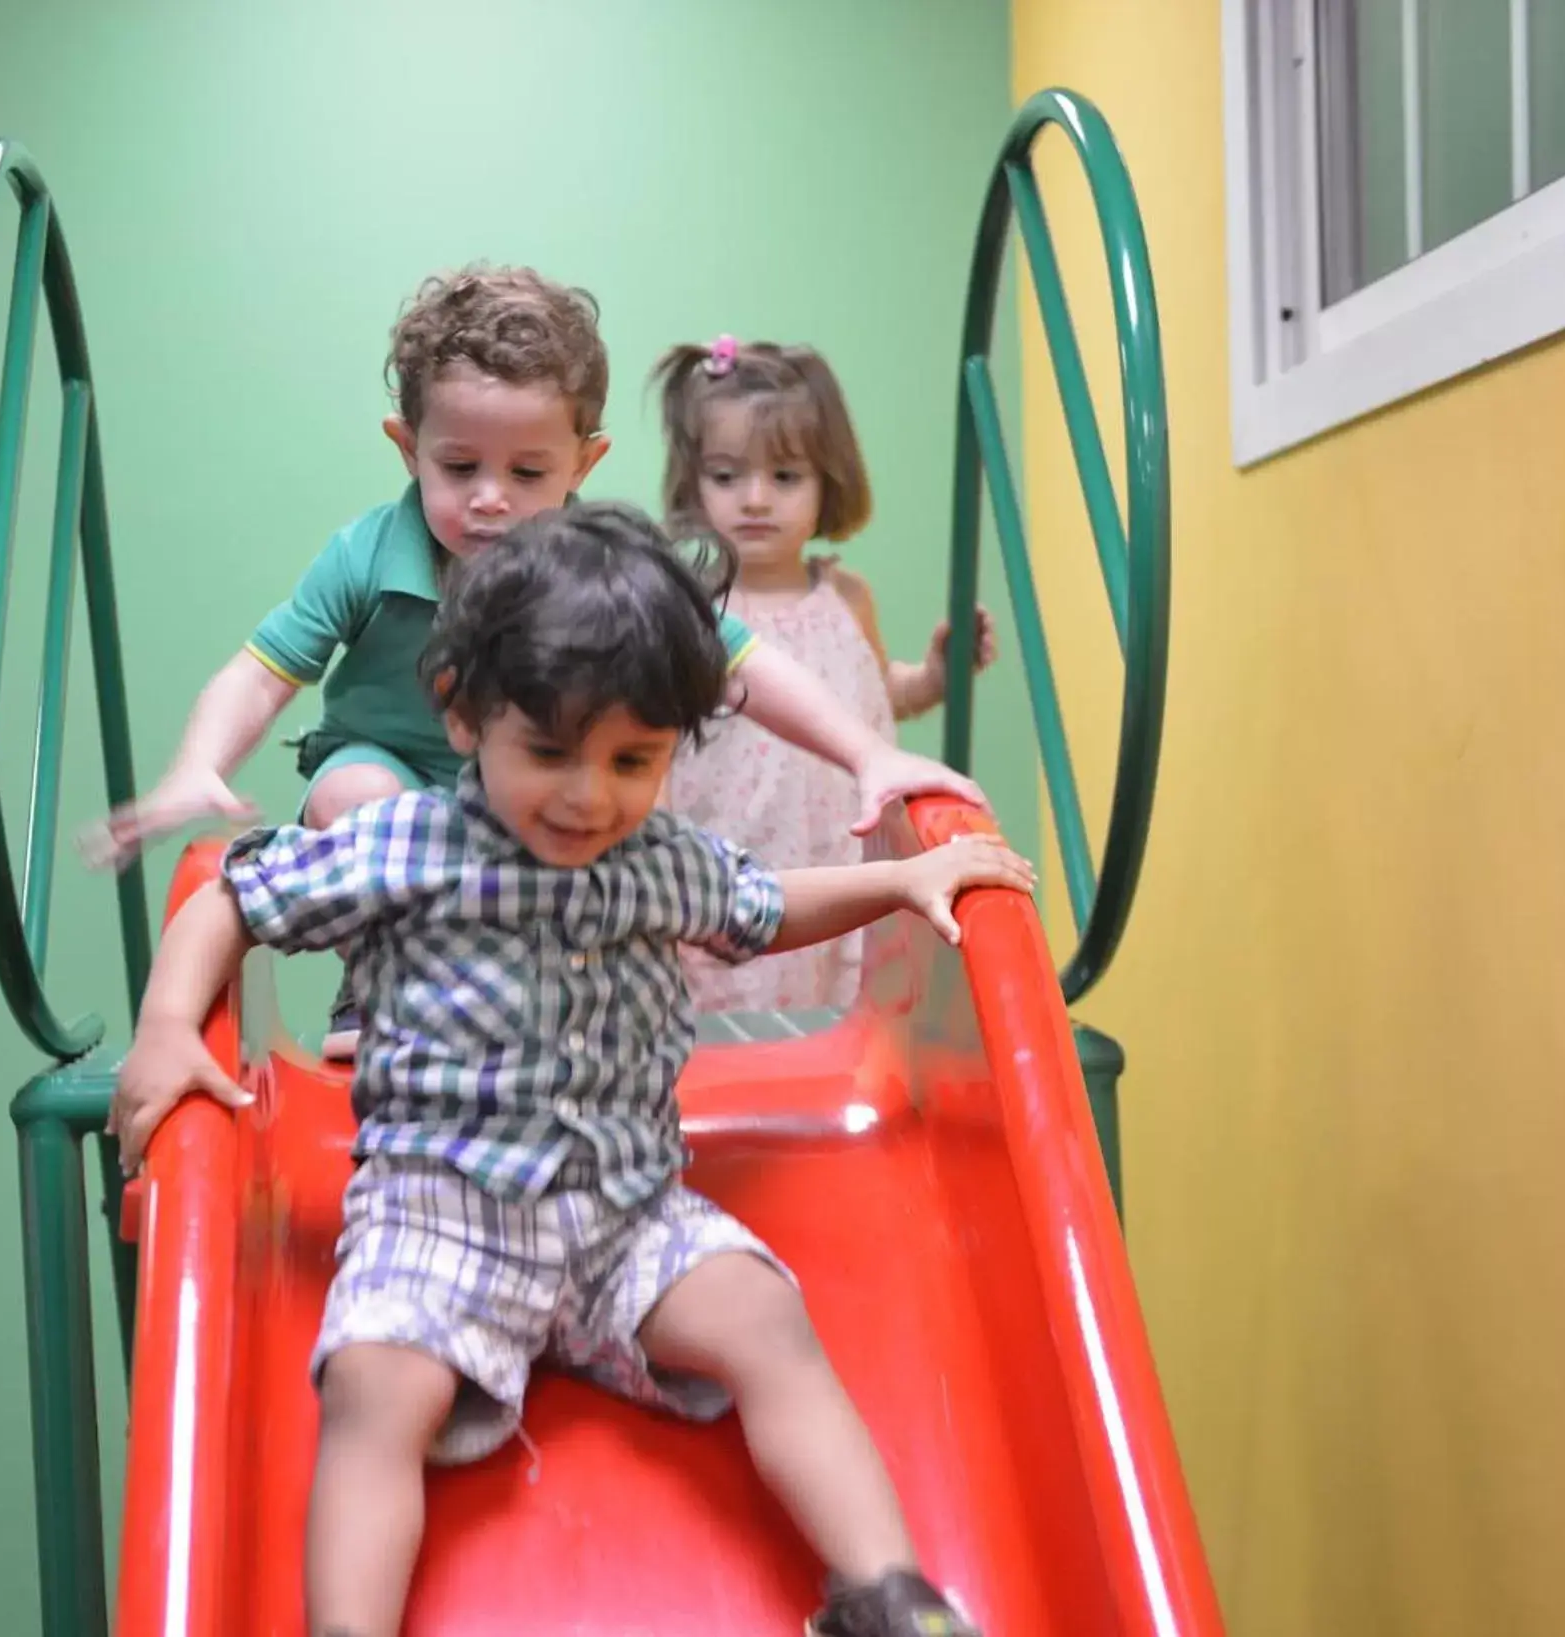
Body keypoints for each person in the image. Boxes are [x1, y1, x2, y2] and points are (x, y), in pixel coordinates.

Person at [108, 502, 1030, 1637]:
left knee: (765, 1318)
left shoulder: (654, 860)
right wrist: (163, 1025)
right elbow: (231, 901)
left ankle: (888, 1594)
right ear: (461, 717)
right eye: (547, 751)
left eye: (632, 759)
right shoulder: (403, 847)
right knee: (371, 1384)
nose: (587, 795)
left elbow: (763, 904)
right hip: (436, 1214)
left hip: (625, 1216)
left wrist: (897, 884)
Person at [79, 269, 985, 1055]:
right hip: (391, 769)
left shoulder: (593, 565)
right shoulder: (364, 554)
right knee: (362, 801)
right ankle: (384, 989)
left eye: (526, 473)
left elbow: (740, 664)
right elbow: (262, 670)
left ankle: (568, 1016)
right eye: (459, 464)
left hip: (542, 777)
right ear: (407, 447)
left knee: (617, 829)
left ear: (583, 463)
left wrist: (867, 754)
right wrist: (197, 766)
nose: (488, 500)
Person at [652, 335, 1002, 1014]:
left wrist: (933, 674)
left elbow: (874, 696)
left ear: (827, 481)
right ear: (693, 481)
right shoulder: (689, 607)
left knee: (843, 1008)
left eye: (784, 477)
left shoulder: (846, 596)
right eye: (726, 476)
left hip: (843, 853)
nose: (755, 499)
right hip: (744, 850)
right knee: (742, 1007)